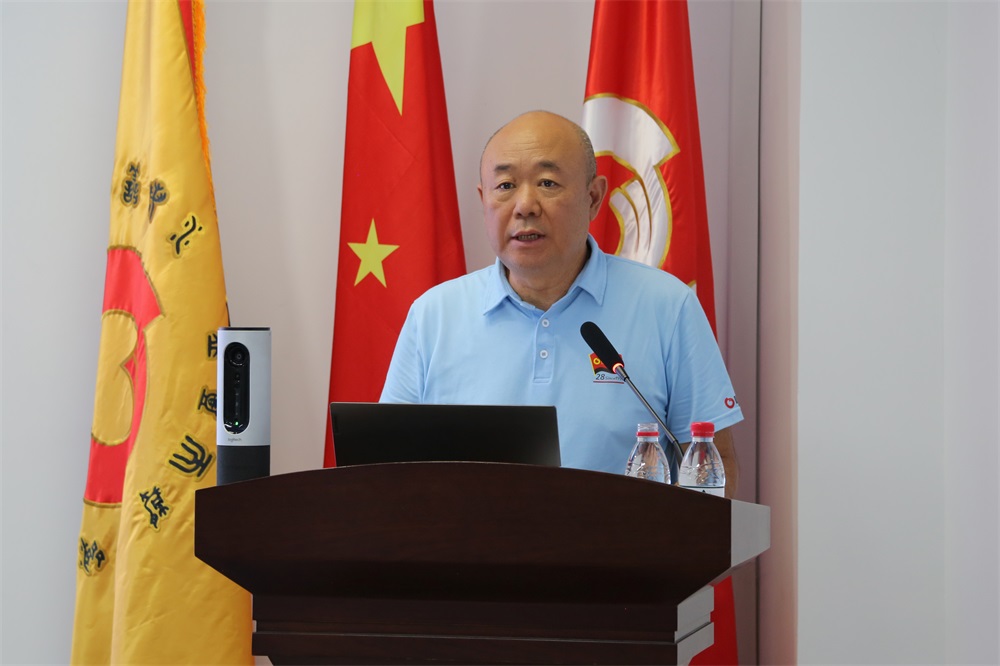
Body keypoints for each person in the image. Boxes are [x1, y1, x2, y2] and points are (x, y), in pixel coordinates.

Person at [380, 110, 742, 496]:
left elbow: (712, 465)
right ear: (484, 200)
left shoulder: (667, 307)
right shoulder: (433, 315)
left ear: (593, 198)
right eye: (505, 185)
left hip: (622, 537)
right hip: (464, 536)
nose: (525, 205)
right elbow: (385, 468)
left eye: (547, 183)